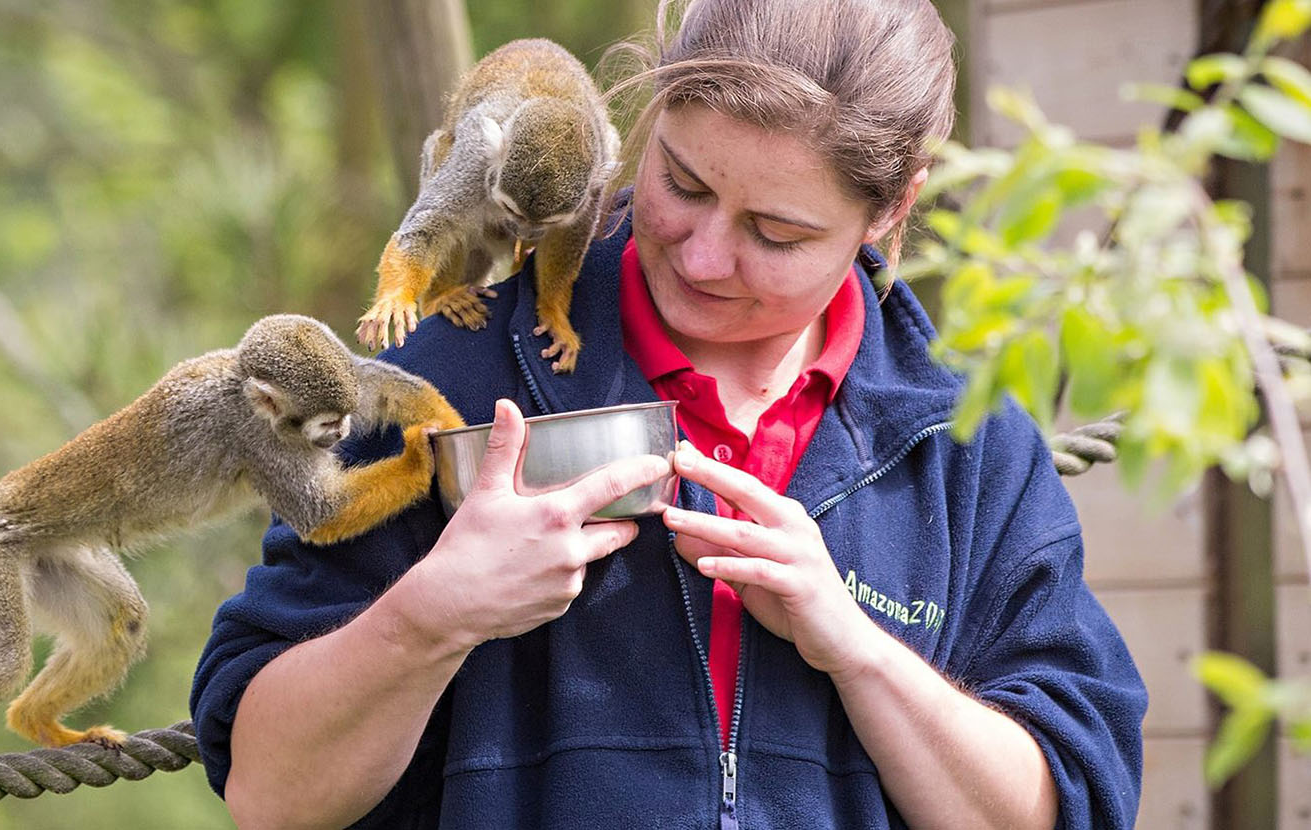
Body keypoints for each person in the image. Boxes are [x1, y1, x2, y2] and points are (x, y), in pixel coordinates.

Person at [190, 0, 1148, 827]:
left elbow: (1064, 803)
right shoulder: (449, 372)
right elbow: (269, 792)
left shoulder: (964, 438)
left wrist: (854, 646)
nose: (699, 258)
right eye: (681, 184)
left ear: (892, 210)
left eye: (777, 234)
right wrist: (435, 615)